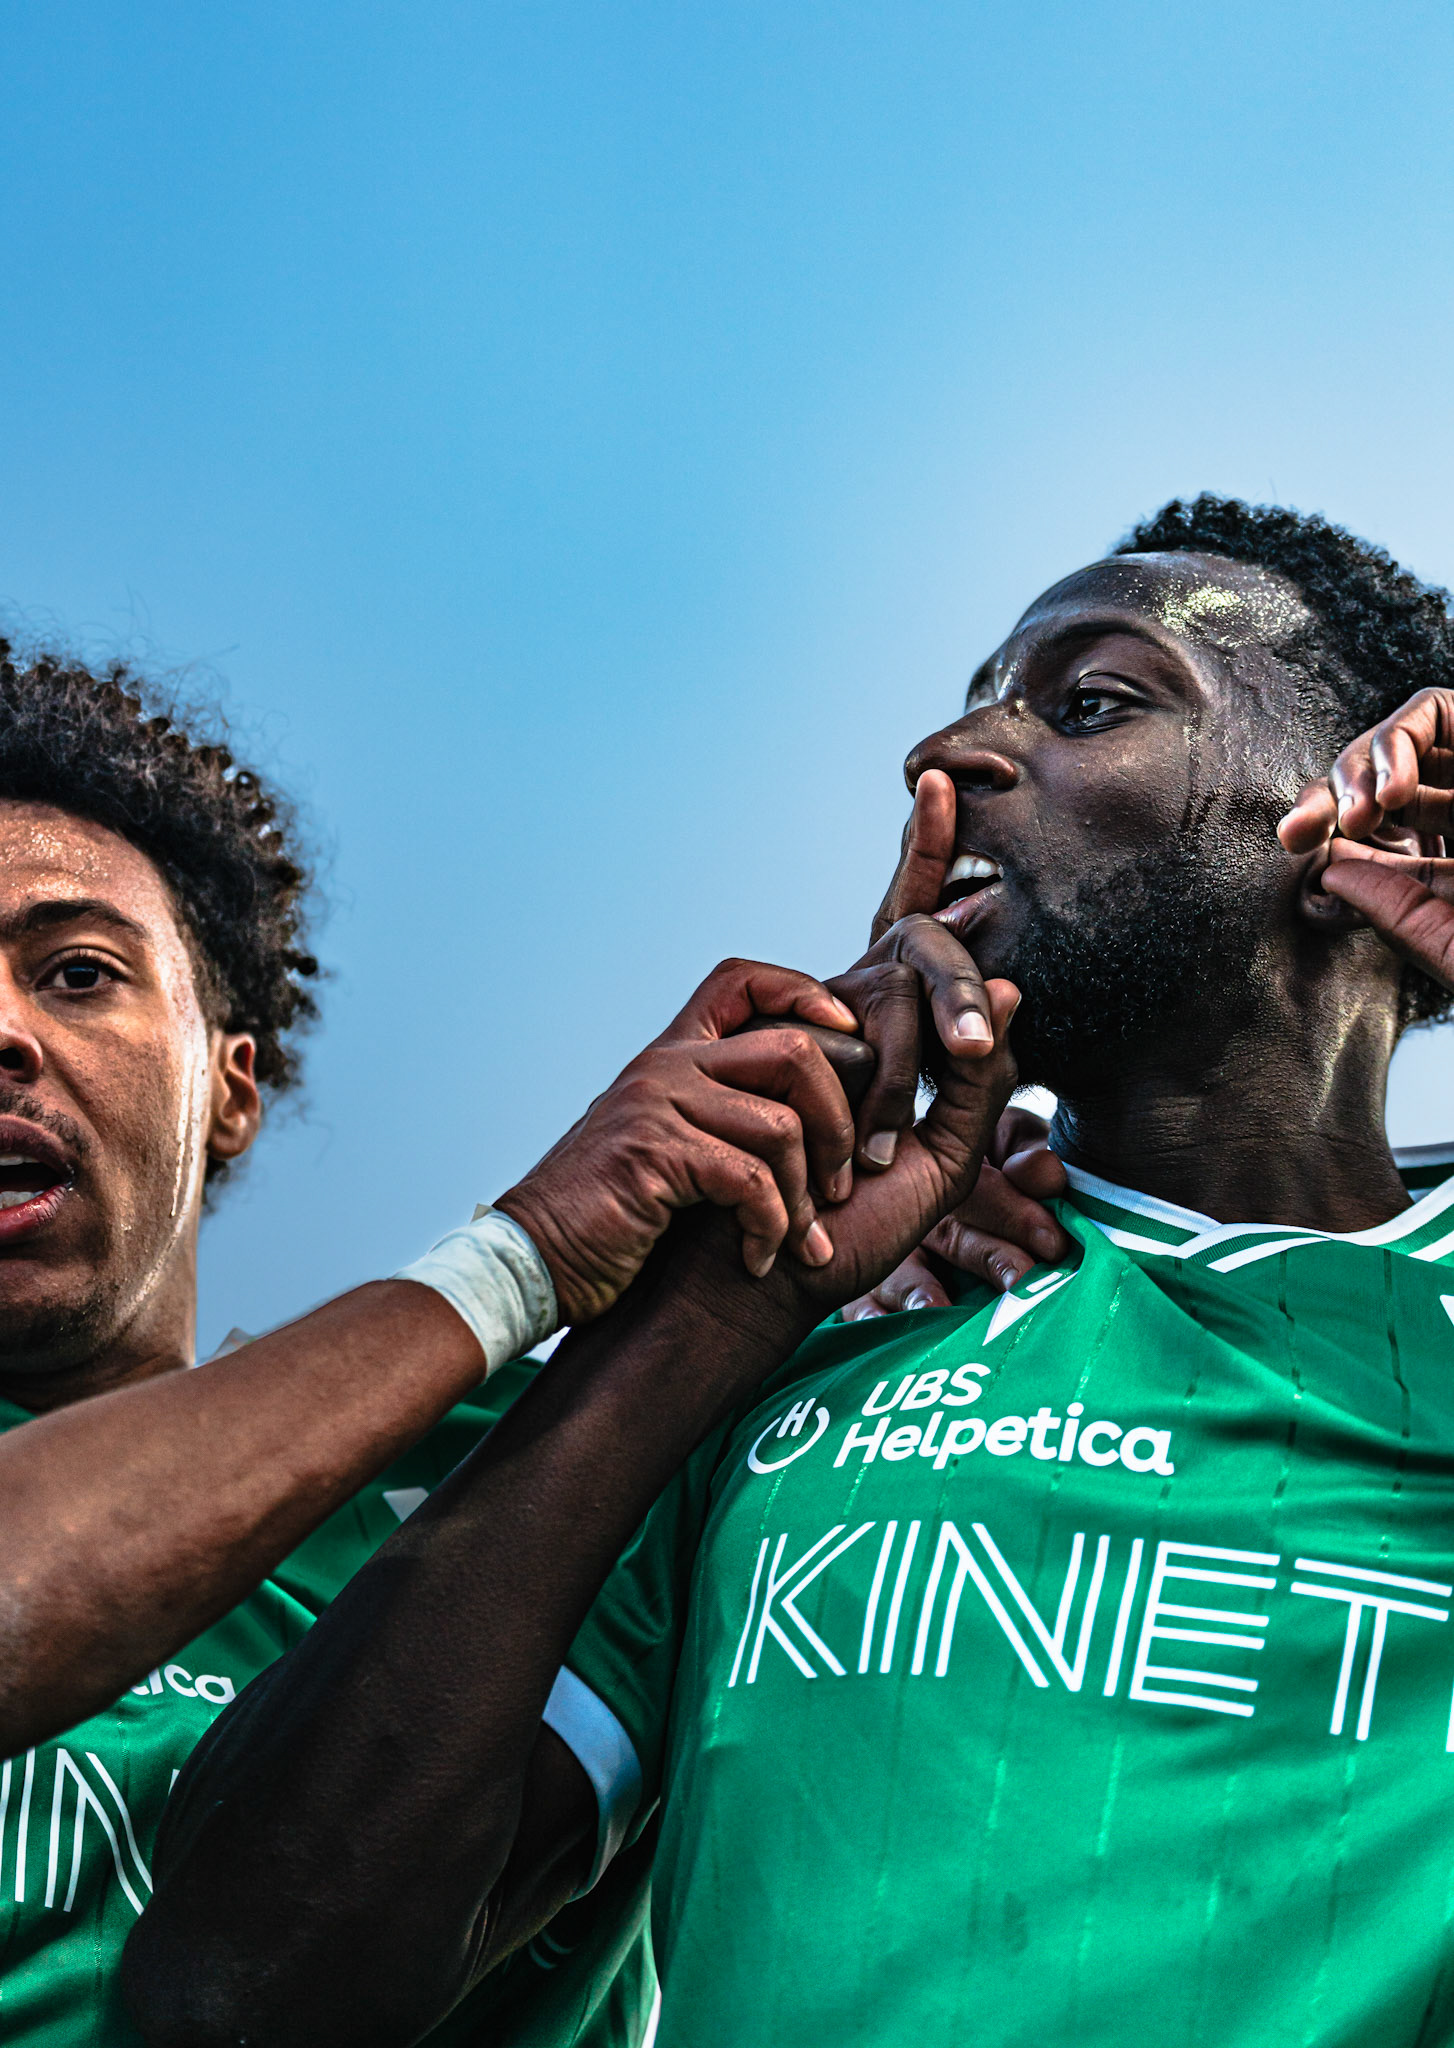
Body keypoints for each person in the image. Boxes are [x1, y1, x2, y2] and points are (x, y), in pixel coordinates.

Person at [127, 495, 1454, 2048]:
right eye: (969, 701)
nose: (947, 758)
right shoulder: (788, 1364)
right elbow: (233, 1998)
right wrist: (696, 1325)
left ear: (1366, 801)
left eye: (1087, 701)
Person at [0, 639, 1029, 2047]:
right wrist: (528, 1252)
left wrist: (846, 1175)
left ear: (231, 1089)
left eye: (78, 973)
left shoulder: (547, 1467)